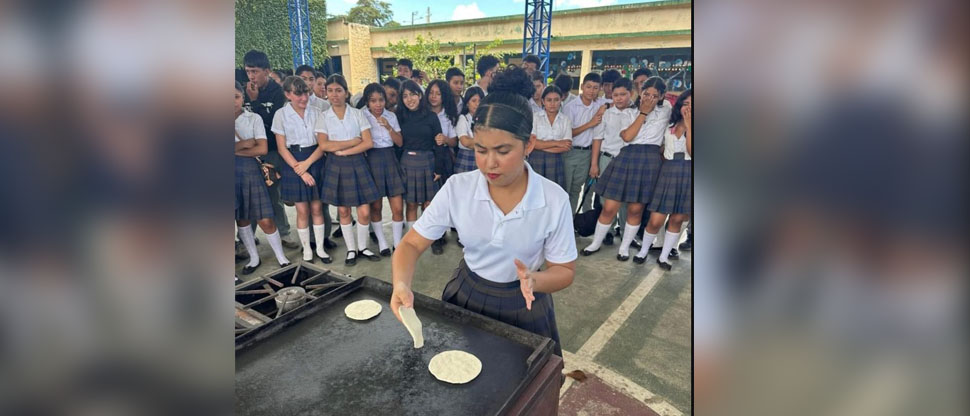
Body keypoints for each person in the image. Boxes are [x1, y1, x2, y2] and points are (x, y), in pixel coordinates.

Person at [390, 67, 576, 358]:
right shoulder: (458, 188)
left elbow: (564, 270)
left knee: (522, 387)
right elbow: (412, 243)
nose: (490, 163)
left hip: (524, 303)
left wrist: (535, 280)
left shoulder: (553, 199)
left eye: (503, 151)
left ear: (529, 144)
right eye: (480, 150)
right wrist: (401, 284)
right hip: (468, 294)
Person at [582, 77, 670, 261]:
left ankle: (624, 247)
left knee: (635, 209)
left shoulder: (666, 110)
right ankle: (595, 243)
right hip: (628, 156)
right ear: (640, 92)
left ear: (662, 96)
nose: (650, 98)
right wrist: (643, 113)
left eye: (655, 95)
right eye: (646, 94)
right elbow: (628, 136)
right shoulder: (629, 113)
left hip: (650, 161)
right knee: (609, 206)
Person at [316, 75, 381, 265]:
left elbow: (368, 142)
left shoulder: (357, 114)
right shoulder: (323, 117)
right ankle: (351, 249)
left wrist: (345, 151)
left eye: (338, 90)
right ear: (326, 93)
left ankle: (363, 247)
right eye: (330, 91)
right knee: (344, 212)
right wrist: (352, 141)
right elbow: (324, 145)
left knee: (364, 212)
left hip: (357, 163)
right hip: (336, 167)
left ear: (345, 92)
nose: (334, 95)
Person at [271, 76, 332, 263]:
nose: (303, 98)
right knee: (302, 210)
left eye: (305, 92)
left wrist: (307, 165)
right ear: (288, 94)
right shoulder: (280, 115)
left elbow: (322, 144)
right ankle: (306, 249)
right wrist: (301, 170)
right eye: (298, 94)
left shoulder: (316, 112)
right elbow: (282, 148)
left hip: (315, 158)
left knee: (317, 207)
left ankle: (320, 248)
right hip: (293, 162)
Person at [242, 50, 299, 249]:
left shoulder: (278, 92)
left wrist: (255, 102)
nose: (251, 76)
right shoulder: (242, 91)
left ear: (267, 71)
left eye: (255, 71)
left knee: (272, 192)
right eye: (248, 71)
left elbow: (274, 122)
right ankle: (247, 238)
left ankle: (283, 232)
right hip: (248, 152)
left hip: (273, 150)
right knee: (250, 195)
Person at [235, 82, 290, 274]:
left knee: (264, 217)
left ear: (243, 97)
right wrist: (245, 145)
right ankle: (254, 258)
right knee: (242, 218)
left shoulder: (253, 118)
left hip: (251, 171)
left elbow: (262, 148)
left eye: (236, 96)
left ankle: (281, 257)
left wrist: (235, 150)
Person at [636, 89, 691, 268]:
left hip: (688, 173)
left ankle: (664, 256)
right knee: (656, 219)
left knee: (676, 219)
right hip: (667, 171)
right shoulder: (670, 124)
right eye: (686, 103)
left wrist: (690, 126)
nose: (689, 108)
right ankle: (644, 250)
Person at [357, 83, 406, 255]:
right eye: (373, 101)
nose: (378, 104)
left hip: (390, 158)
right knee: (376, 206)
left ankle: (398, 243)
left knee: (398, 207)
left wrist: (388, 126)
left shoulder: (391, 116)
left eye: (381, 100)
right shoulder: (361, 116)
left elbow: (399, 142)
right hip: (371, 159)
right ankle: (382, 242)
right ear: (367, 102)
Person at [587, 77, 636, 245]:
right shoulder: (606, 113)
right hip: (607, 159)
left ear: (632, 94)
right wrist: (594, 164)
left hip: (629, 162)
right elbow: (597, 138)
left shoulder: (637, 114)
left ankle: (624, 232)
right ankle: (606, 231)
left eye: (623, 94)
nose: (619, 98)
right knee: (605, 199)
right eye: (616, 95)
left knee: (626, 200)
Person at [395, 80, 443, 247]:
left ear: (420, 95)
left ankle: (433, 240)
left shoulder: (431, 116)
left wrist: (438, 168)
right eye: (405, 96)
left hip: (428, 161)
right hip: (407, 162)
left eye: (413, 94)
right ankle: (411, 241)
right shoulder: (399, 116)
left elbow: (439, 142)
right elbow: (397, 144)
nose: (410, 99)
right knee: (411, 204)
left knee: (429, 204)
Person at [562, 72, 608, 213]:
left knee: (577, 189)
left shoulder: (600, 104)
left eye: (595, 88)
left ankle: (571, 221)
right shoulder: (571, 107)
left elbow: (622, 102)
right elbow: (567, 134)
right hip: (571, 151)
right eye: (588, 87)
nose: (591, 91)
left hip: (588, 153)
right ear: (582, 87)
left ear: (600, 89)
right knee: (565, 189)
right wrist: (590, 123)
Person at [426, 79, 460, 254]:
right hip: (427, 158)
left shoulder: (449, 115)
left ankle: (449, 227)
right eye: (431, 92)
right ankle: (435, 237)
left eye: (438, 93)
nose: (434, 97)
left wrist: (445, 139)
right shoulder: (422, 113)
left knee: (445, 196)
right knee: (430, 200)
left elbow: (454, 141)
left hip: (444, 158)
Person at [528, 85, 572, 190]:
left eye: (556, 100)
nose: (552, 104)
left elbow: (566, 146)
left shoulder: (565, 120)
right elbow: (532, 143)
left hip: (556, 161)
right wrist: (557, 143)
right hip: (536, 160)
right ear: (543, 101)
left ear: (561, 100)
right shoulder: (535, 117)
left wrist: (541, 145)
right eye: (549, 100)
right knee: (535, 192)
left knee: (554, 193)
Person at [454, 86, 485, 174]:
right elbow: (465, 142)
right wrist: (485, 143)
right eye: (473, 101)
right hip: (466, 157)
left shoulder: (485, 119)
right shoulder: (463, 118)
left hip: (481, 157)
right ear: (467, 103)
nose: (477, 104)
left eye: (480, 101)